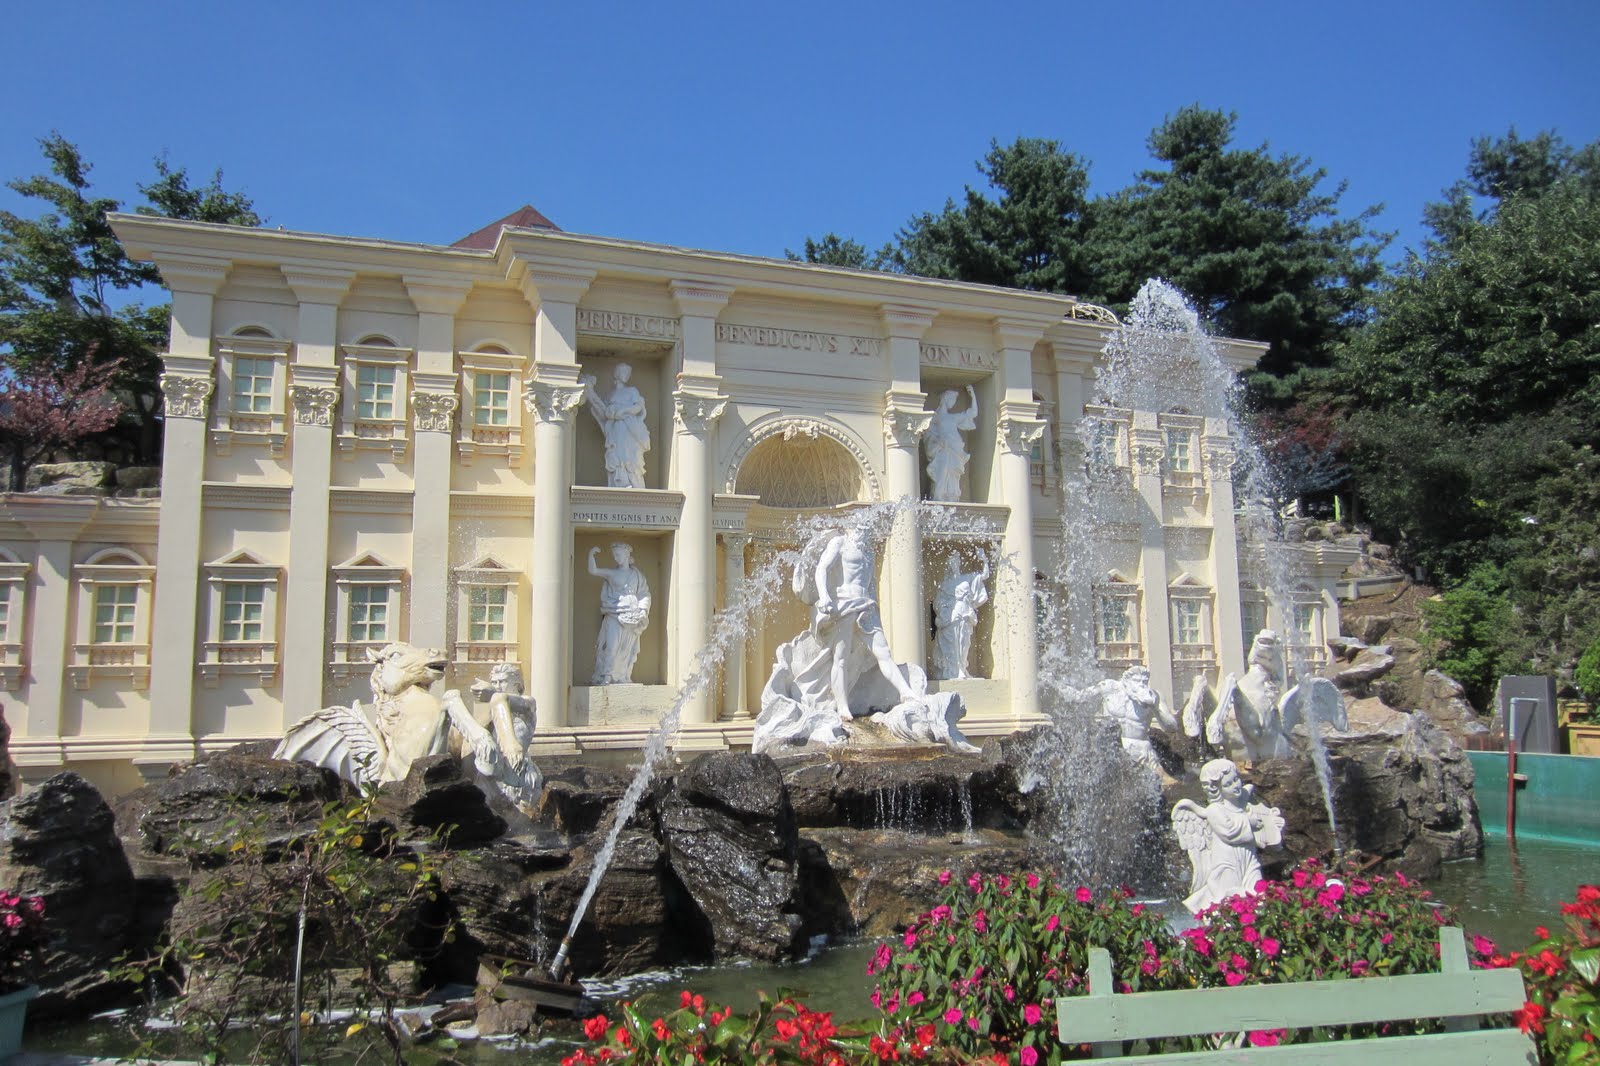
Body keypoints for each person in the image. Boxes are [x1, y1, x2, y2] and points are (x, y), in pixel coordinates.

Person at [808, 526, 917, 717]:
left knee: (884, 653)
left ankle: (906, 693)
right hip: (845, 604)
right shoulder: (840, 543)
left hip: (866, 606)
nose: (866, 529)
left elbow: (871, 584)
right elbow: (822, 568)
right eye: (861, 526)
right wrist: (824, 596)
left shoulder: (869, 551)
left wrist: (874, 608)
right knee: (840, 657)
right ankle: (842, 706)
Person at [1171, 758, 1285, 913]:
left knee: (1257, 893)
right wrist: (1249, 822)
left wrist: (1274, 827)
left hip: (1249, 859)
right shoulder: (1215, 810)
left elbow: (1262, 838)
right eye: (1228, 784)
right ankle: (1223, 925)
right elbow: (1229, 832)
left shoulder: (1244, 804)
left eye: (1236, 779)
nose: (1235, 785)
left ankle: (1256, 924)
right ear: (1216, 789)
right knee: (1228, 898)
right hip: (1227, 863)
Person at [464, 662, 540, 811]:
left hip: (517, 773)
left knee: (521, 820)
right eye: (494, 682)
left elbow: (501, 698)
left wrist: (493, 694)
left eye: (502, 681)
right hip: (491, 773)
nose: (498, 686)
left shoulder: (528, 703)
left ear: (517, 684)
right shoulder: (493, 710)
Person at [588, 542, 651, 684]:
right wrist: (591, 555)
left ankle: (623, 676)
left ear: (627, 555)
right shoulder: (612, 574)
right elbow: (593, 570)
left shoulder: (637, 575)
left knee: (627, 648)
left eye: (618, 554)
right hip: (614, 613)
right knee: (611, 646)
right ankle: (607, 675)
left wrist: (642, 610)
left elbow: (644, 594)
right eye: (614, 555)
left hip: (632, 615)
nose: (616, 558)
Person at [581, 362, 649, 489]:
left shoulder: (632, 391)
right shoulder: (610, 395)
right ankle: (619, 482)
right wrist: (590, 393)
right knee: (616, 453)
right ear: (617, 374)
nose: (626, 375)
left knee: (629, 454)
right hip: (615, 429)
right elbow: (603, 412)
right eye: (624, 371)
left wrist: (623, 411)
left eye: (628, 373)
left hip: (628, 428)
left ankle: (632, 482)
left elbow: (638, 407)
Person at [932, 554, 989, 679]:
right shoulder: (944, 584)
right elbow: (938, 603)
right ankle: (953, 671)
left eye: (957, 562)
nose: (955, 565)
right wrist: (944, 610)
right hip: (951, 617)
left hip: (965, 615)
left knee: (964, 643)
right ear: (949, 566)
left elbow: (984, 575)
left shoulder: (966, 578)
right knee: (952, 644)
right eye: (952, 563)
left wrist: (984, 560)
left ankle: (962, 668)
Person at [924, 386, 978, 501]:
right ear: (945, 399)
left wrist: (973, 396)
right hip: (942, 449)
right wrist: (938, 443)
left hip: (955, 450)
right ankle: (938, 498)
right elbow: (928, 434)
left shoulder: (953, 417)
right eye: (952, 400)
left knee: (953, 474)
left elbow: (973, 413)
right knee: (942, 472)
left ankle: (951, 497)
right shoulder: (935, 417)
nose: (953, 403)